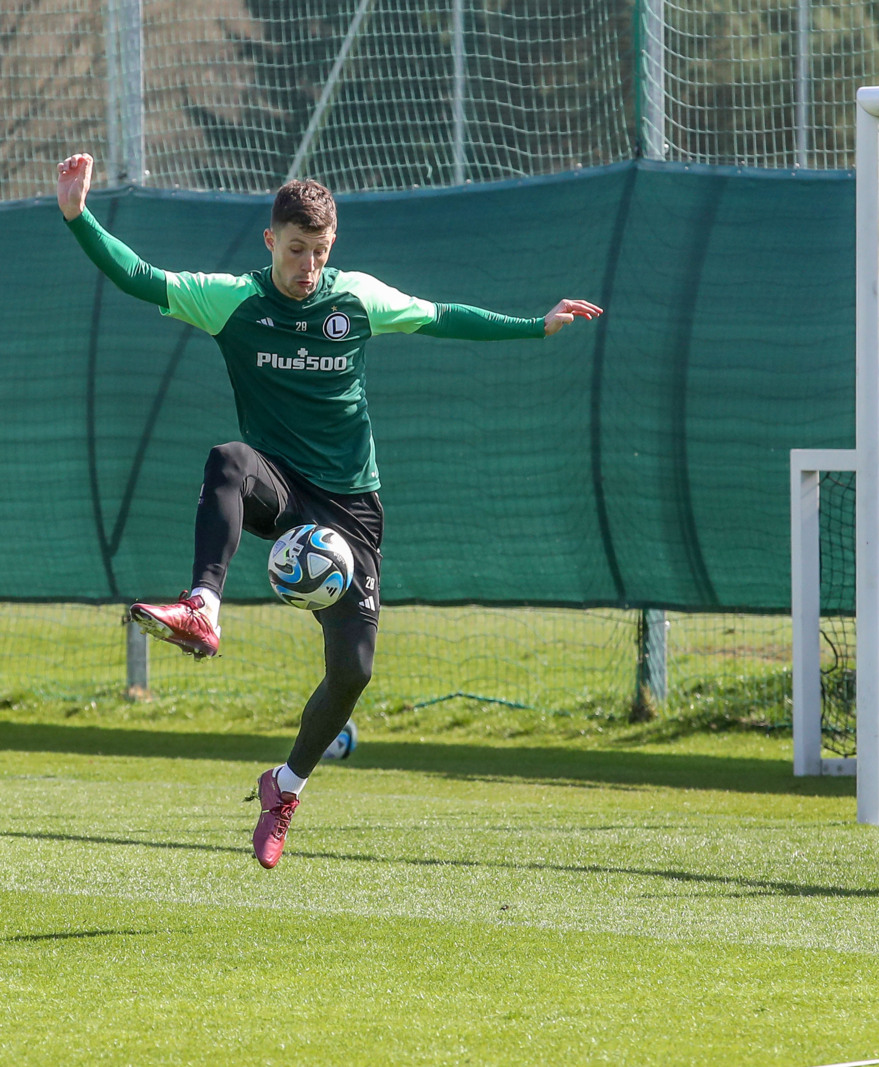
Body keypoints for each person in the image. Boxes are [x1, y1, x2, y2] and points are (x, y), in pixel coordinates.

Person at [57, 152, 602, 870]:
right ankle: (204, 609)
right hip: (279, 489)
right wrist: (77, 214)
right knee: (227, 458)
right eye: (294, 250)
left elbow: (443, 318)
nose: (307, 267)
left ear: (332, 248)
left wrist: (536, 325)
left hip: (352, 508)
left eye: (318, 252)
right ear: (269, 242)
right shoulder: (233, 301)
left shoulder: (357, 299)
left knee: (355, 670)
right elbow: (139, 276)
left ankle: (285, 786)